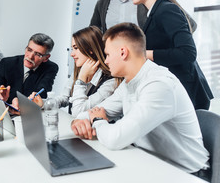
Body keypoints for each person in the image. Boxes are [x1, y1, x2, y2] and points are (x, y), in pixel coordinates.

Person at [71, 23, 210, 179]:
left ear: (123, 52)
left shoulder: (159, 85)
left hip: (186, 174)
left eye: (108, 54)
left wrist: (97, 120)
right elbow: (91, 112)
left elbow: (116, 138)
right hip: (151, 164)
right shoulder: (129, 83)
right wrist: (78, 122)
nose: (106, 61)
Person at [129, 0, 213, 110]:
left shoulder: (167, 10)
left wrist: (145, 54)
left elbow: (188, 53)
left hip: (188, 94)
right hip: (175, 91)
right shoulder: (154, 13)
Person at [30, 26, 121, 117]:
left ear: (90, 49)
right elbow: (65, 98)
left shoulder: (110, 81)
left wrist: (81, 80)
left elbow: (78, 112)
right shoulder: (79, 69)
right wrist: (43, 103)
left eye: (76, 48)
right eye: (72, 48)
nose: (72, 54)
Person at [0, 33, 58, 114]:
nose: (30, 57)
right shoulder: (6, 63)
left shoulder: (51, 68)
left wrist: (23, 104)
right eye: (29, 50)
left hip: (30, 114)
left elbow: (42, 93)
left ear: (46, 58)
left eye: (38, 54)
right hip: (5, 113)